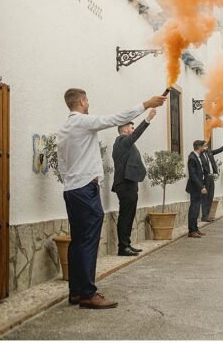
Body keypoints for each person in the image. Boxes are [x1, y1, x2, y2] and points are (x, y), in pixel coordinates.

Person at [58, 88, 165, 309]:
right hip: (85, 190)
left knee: (78, 240)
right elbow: (116, 118)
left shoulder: (64, 129)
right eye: (87, 100)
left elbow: (61, 164)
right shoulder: (82, 121)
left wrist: (73, 180)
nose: (89, 103)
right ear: (82, 101)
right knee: (88, 241)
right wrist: (145, 104)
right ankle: (88, 293)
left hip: (71, 190)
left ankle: (76, 292)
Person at [111, 108, 156, 257]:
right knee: (126, 215)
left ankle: (127, 245)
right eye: (131, 127)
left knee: (129, 215)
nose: (133, 129)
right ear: (124, 129)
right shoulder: (122, 140)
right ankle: (123, 247)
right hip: (125, 184)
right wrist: (147, 119)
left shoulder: (124, 143)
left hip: (129, 183)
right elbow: (136, 135)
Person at [199, 136, 223, 223]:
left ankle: (207, 216)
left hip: (211, 177)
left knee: (210, 196)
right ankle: (204, 216)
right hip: (205, 178)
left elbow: (219, 150)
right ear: (201, 147)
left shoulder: (209, 152)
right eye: (205, 146)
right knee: (205, 197)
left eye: (206, 146)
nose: (206, 147)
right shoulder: (199, 156)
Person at [185, 140, 209, 238]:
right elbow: (193, 175)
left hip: (199, 186)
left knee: (196, 209)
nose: (205, 148)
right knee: (194, 209)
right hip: (195, 188)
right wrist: (201, 187)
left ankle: (195, 228)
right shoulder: (192, 158)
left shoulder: (198, 157)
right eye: (204, 146)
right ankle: (191, 231)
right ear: (199, 147)